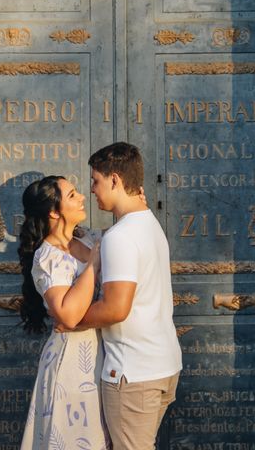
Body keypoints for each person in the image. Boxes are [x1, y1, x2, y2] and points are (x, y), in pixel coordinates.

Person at [76, 142, 183, 450]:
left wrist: (71, 317)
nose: (92, 190)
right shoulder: (149, 223)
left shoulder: (121, 237)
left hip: (133, 374)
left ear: (115, 180)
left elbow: (115, 308)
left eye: (96, 181)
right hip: (163, 366)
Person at [17, 175, 111, 450]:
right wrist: (93, 264)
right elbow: (68, 316)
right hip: (72, 366)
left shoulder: (88, 236)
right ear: (54, 211)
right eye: (72, 195)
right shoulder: (48, 256)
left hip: (104, 356)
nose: (82, 197)